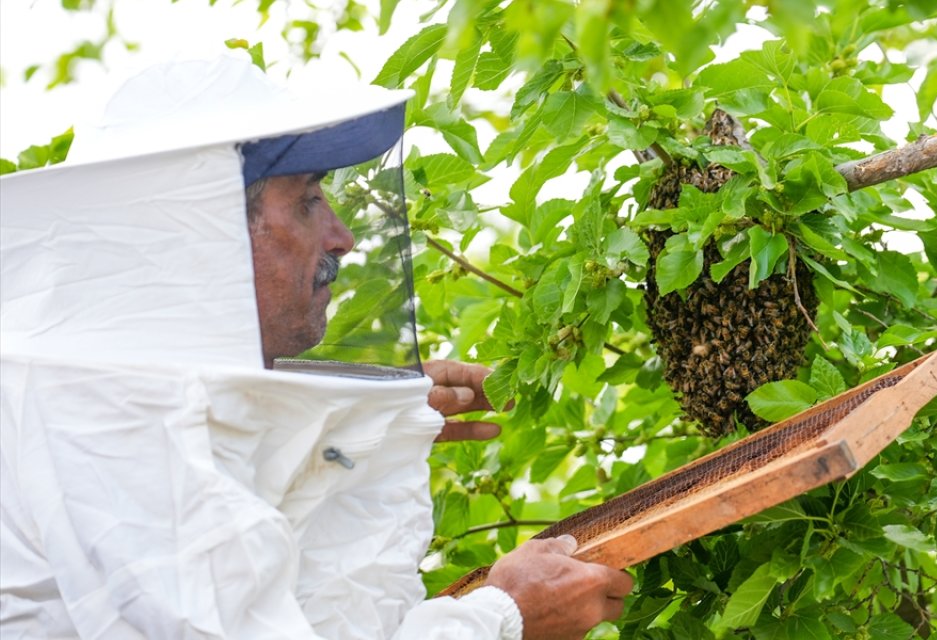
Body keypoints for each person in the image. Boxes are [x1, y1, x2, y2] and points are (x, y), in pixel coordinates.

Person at [0, 56, 630, 639]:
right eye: (306, 203)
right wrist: (503, 616)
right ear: (208, 232)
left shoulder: (116, 385)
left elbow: (309, 602)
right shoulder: (111, 415)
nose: (344, 236)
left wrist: (356, 423)